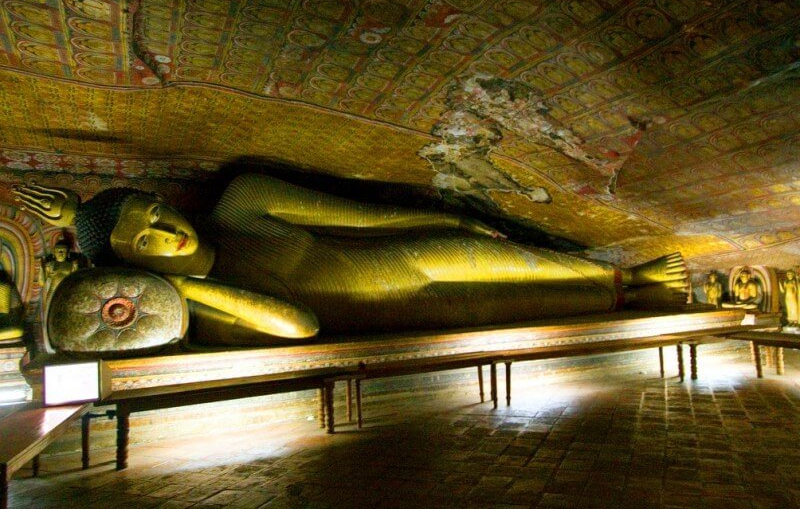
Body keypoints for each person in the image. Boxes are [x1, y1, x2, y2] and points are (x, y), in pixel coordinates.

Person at [13, 175, 690, 347]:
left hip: (402, 259)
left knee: (502, 258)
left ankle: (627, 277)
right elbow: (299, 325)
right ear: (137, 268)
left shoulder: (242, 202)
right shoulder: (210, 315)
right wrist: (182, 289)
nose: (169, 233)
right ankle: (628, 300)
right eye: (147, 243)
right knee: (510, 307)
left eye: (157, 213)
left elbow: (359, 214)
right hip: (388, 320)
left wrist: (447, 215)